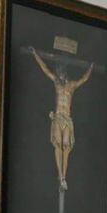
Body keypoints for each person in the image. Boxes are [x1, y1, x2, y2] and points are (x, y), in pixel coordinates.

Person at [31, 48, 93, 190]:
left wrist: (91, 68)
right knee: (58, 145)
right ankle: (62, 177)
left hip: (67, 118)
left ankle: (64, 176)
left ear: (66, 74)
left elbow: (84, 79)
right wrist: (36, 54)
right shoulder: (57, 84)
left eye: (62, 72)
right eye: (59, 72)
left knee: (66, 146)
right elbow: (45, 69)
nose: (61, 74)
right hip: (58, 117)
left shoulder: (71, 86)